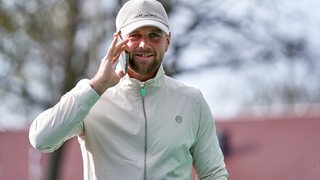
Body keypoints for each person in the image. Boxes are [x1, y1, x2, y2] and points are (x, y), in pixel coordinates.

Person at [29, 0, 228, 179]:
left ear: (167, 41)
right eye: (135, 35)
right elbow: (41, 140)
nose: (144, 44)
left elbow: (213, 173)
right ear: (118, 39)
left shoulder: (191, 101)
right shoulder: (91, 96)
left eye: (154, 36)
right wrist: (97, 85)